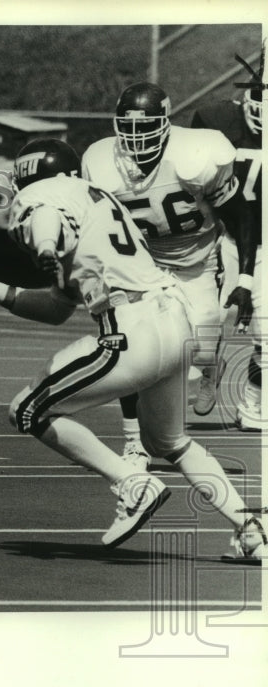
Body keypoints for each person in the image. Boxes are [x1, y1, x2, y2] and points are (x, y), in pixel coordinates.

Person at [0, 138, 263, 563]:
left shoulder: (42, 197)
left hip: (131, 331)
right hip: (175, 324)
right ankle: (252, 530)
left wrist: (46, 246)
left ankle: (132, 483)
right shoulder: (103, 203)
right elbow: (55, 308)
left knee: (26, 410)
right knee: (171, 441)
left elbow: (46, 216)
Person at [81, 81, 256, 470]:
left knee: (202, 348)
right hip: (141, 265)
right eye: (129, 129)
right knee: (130, 347)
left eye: (146, 129)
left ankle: (211, 366)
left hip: (197, 260)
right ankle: (133, 443)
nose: (137, 139)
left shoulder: (196, 154)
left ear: (166, 123)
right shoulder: (100, 161)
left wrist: (243, 281)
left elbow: (242, 215)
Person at [191, 45, 264, 432]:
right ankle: (209, 370)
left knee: (266, 337)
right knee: (206, 327)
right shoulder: (217, 120)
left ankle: (252, 407)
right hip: (230, 239)